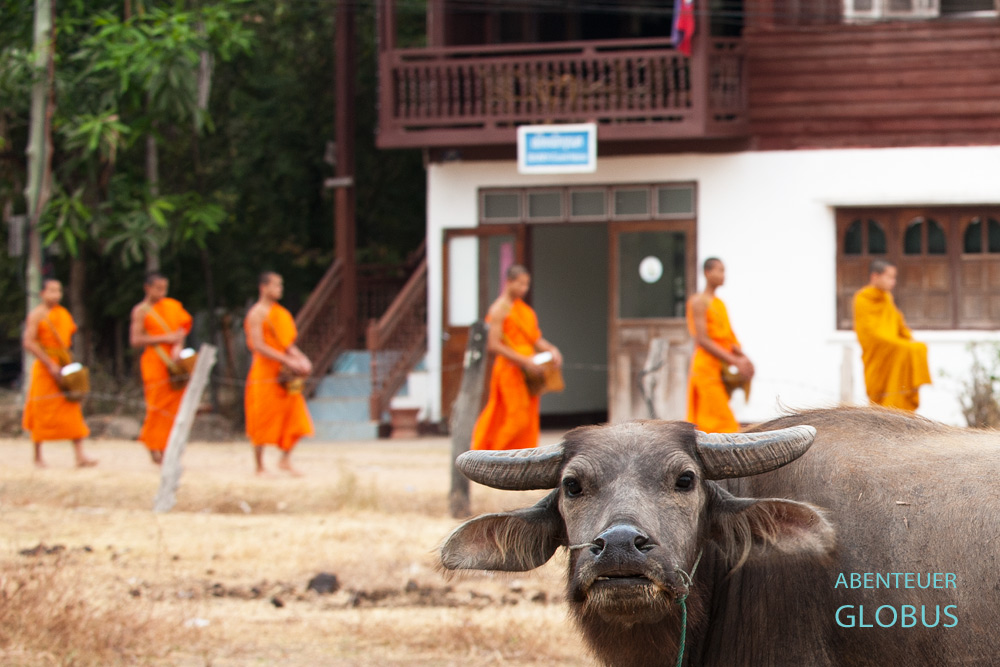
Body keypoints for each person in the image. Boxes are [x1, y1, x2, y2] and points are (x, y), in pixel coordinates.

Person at [472, 265, 562, 451]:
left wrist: (552, 349)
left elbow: (534, 338)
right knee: (516, 418)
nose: (524, 288)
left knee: (528, 419)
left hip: (530, 370)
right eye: (520, 284)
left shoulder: (524, 311)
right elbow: (493, 345)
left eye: (527, 284)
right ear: (509, 282)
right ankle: (495, 454)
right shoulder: (499, 310)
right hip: (509, 369)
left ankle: (522, 457)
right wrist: (524, 360)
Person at [21, 279, 97, 468]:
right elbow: (29, 342)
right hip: (45, 367)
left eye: (59, 291)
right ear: (42, 294)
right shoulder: (37, 315)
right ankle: (37, 456)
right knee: (40, 409)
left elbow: (66, 340)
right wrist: (49, 363)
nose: (56, 295)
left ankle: (80, 456)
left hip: (64, 365)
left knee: (71, 407)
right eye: (51, 291)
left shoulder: (63, 313)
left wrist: (64, 364)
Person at [244, 271, 314, 475]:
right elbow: (258, 345)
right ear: (263, 288)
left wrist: (301, 360)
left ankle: (285, 459)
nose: (279, 289)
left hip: (285, 373)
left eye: (280, 285)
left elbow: (288, 345)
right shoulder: (256, 314)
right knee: (262, 416)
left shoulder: (281, 314)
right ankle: (259, 465)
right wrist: (287, 360)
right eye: (276, 285)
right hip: (264, 371)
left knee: (295, 415)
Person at [685, 257, 754, 433]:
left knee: (717, 417)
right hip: (706, 367)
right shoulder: (699, 302)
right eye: (720, 270)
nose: (724, 275)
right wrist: (735, 360)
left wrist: (744, 359)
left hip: (721, 366)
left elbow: (729, 338)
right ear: (707, 273)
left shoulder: (720, 303)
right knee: (719, 420)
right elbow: (703, 339)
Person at [130, 272, 192, 464]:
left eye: (164, 288)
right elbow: (136, 340)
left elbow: (182, 327)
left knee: (175, 407)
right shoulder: (141, 310)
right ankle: (153, 448)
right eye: (158, 288)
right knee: (156, 406)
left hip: (174, 362)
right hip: (155, 362)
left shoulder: (173, 306)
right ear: (147, 288)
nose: (162, 292)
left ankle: (168, 449)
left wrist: (178, 346)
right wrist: (165, 339)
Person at [853, 259, 930, 411]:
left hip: (894, 353)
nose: (893, 282)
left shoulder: (887, 298)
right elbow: (869, 335)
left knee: (918, 348)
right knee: (906, 349)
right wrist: (900, 345)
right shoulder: (863, 299)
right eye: (889, 277)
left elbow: (899, 324)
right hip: (879, 357)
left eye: (894, 278)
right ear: (875, 277)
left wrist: (909, 339)